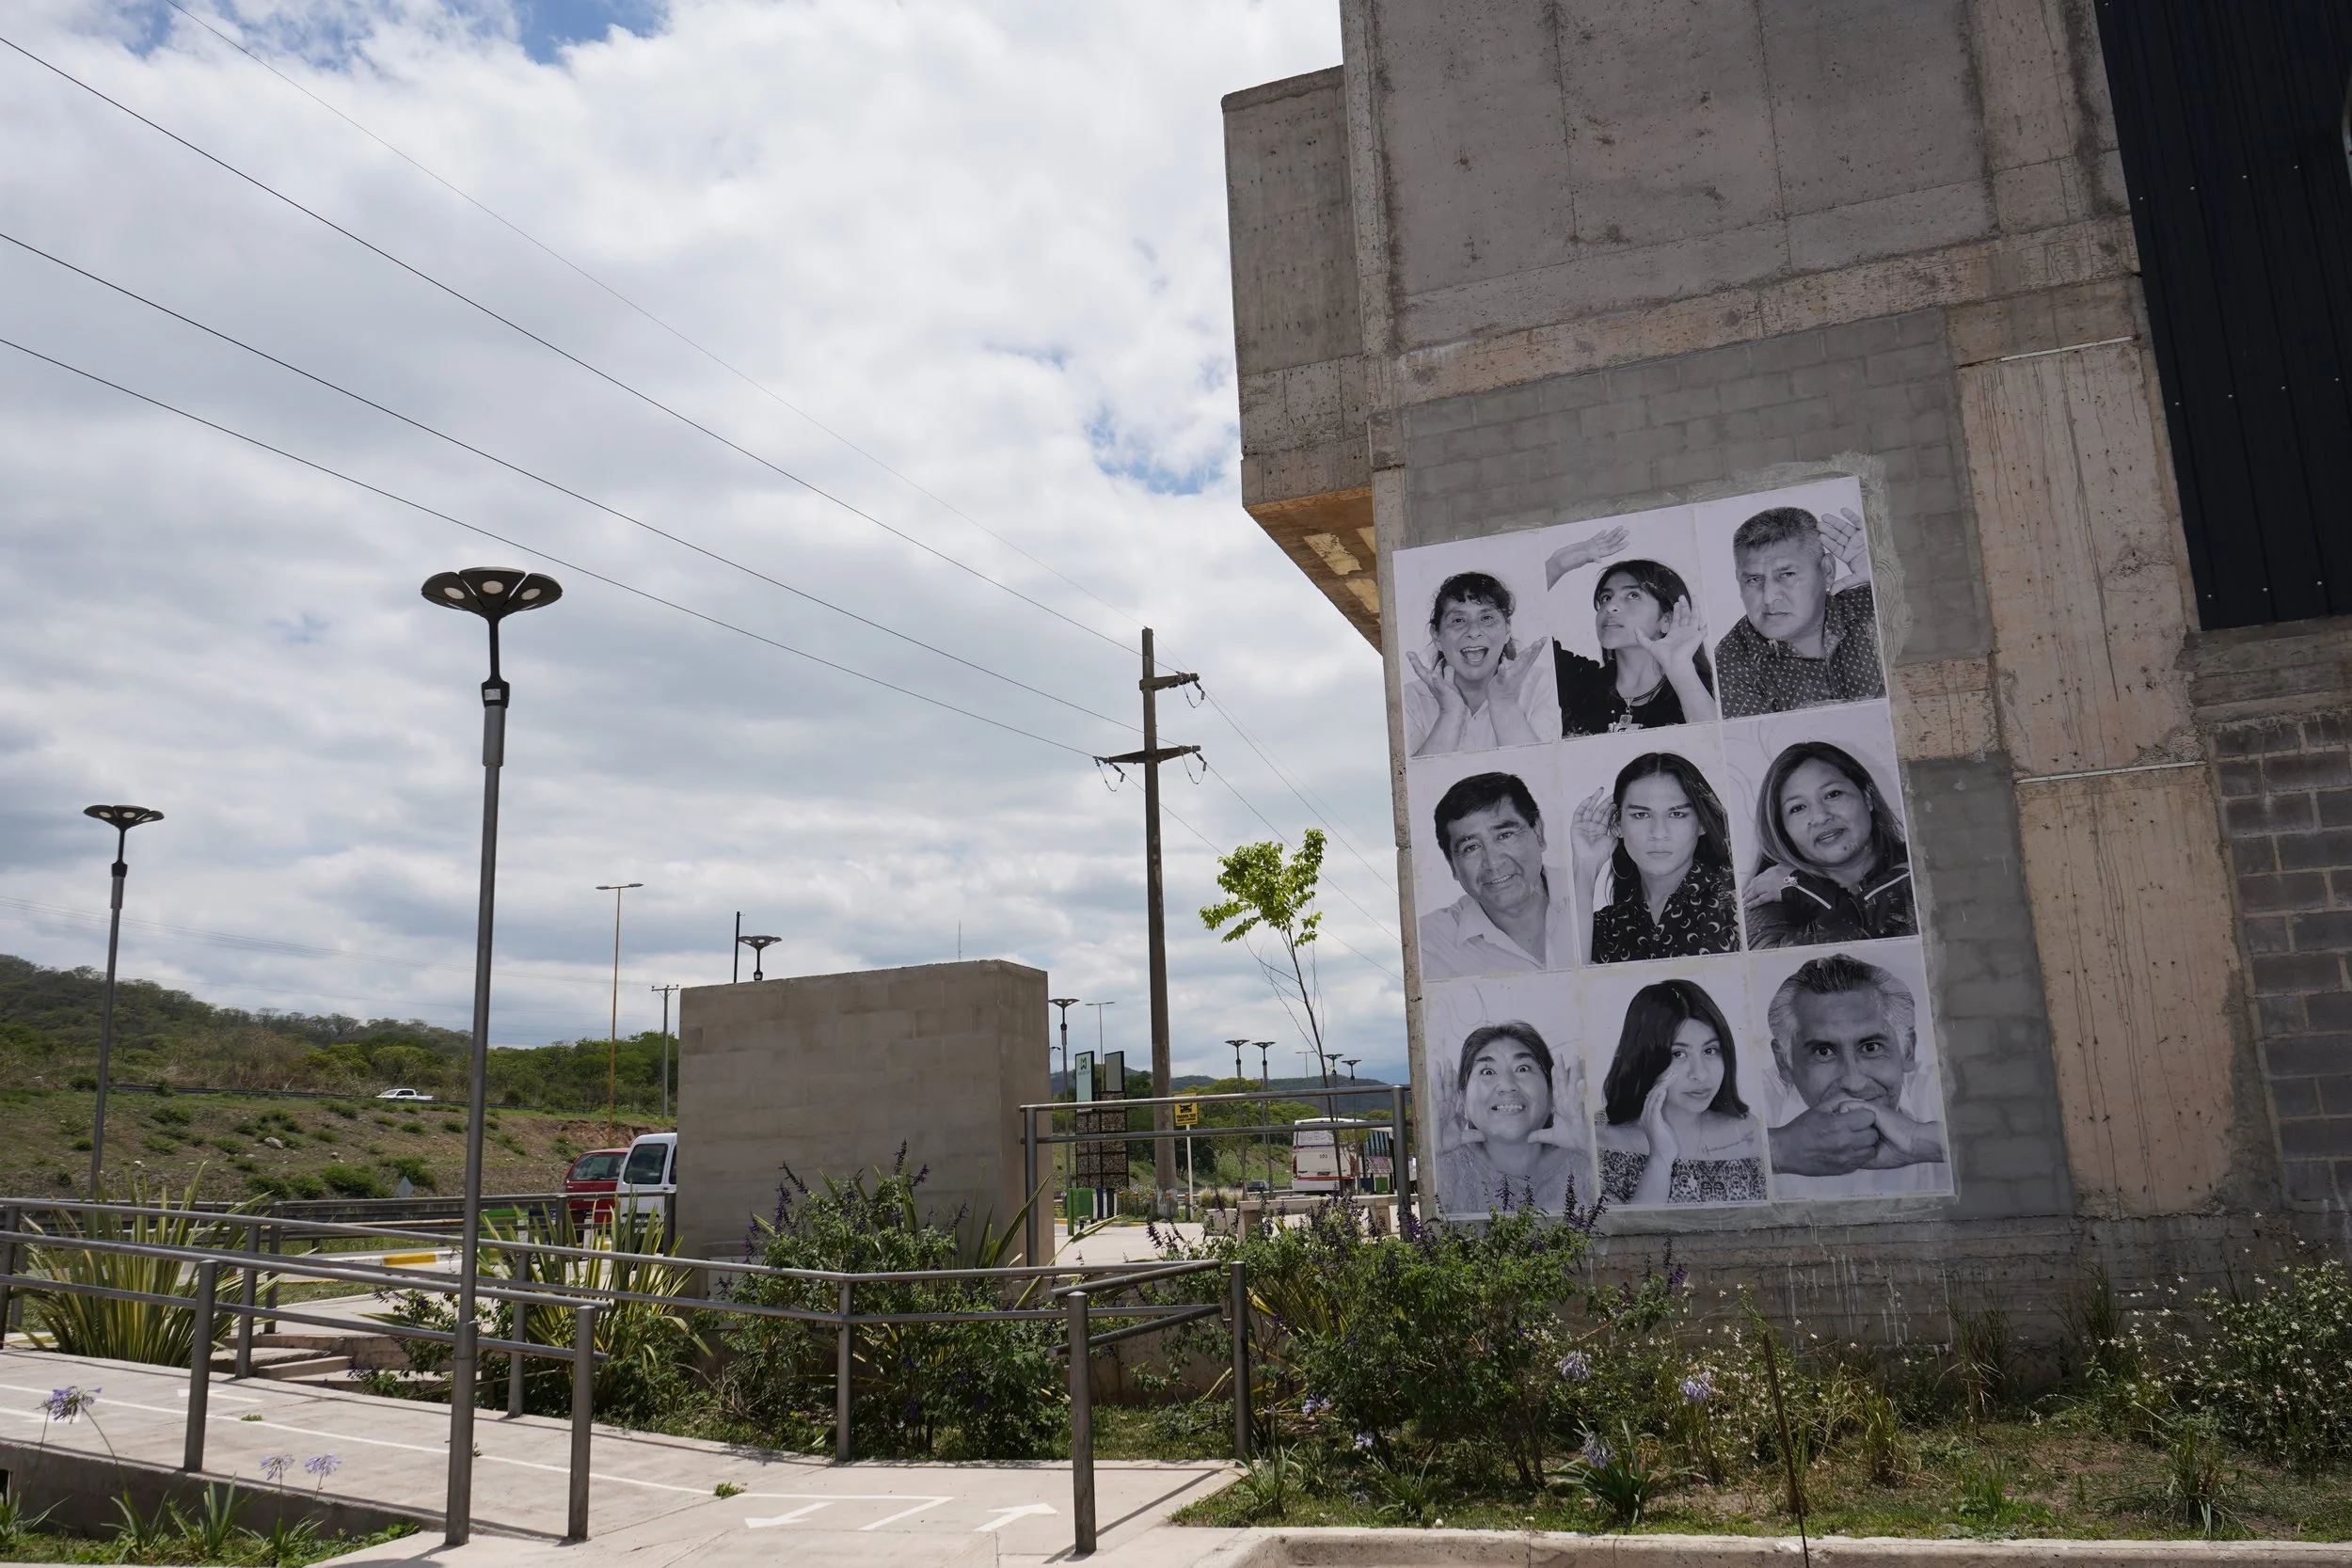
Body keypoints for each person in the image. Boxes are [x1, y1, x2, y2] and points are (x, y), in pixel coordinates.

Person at [1765, 954, 1948, 1197]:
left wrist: (1917, 1141)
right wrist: (1779, 1150)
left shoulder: (1941, 1090)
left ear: (1907, 1050)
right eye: (1824, 1052)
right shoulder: (1755, 1099)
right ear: (1784, 1063)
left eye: (1871, 1048)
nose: (1854, 1083)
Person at [1595, 979, 1766, 1206]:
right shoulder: (1599, 1136)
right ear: (1644, 1059)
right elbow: (1625, 1238)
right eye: (1678, 1054)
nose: (1700, 1074)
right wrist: (1659, 1159)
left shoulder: (1746, 1129)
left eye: (1710, 1050)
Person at [1568, 753, 1741, 963]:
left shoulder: (1737, 904)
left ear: (1702, 823)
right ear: (1617, 825)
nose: (1659, 833)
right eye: (1641, 815)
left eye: (1676, 814)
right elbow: (1569, 987)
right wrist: (1585, 867)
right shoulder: (1605, 926)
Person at [1542, 527, 1717, 734]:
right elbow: (1516, 627)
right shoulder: (1580, 683)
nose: (1610, 606)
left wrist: (1680, 668)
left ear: (1667, 620)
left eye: (1632, 595)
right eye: (1606, 597)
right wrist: (1555, 566)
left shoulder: (1702, 687)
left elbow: (1715, 744)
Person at [1714, 505, 1884, 718]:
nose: (1768, 598)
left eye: (1787, 575)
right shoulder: (1730, 663)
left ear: (1827, 571)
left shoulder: (1875, 603)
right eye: (1754, 579)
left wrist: (1887, 578)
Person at [1745, 741, 1915, 947]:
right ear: (1783, 830)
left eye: (1833, 794)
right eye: (1798, 808)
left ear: (1867, 797)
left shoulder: (1925, 862)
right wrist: (1802, 889)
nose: (1820, 817)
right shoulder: (1763, 900)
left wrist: (1806, 890)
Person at [1418, 772, 1574, 978]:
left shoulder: (1594, 894)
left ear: (1538, 832)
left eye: (1505, 836)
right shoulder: (1428, 944)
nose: (1493, 863)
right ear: (1452, 865)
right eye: (1471, 847)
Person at [1436, 1022, 1590, 1216]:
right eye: (1488, 1071)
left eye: (1523, 1069)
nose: (1507, 1085)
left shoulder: (1585, 1160)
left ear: (1552, 1092)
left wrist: (1588, 1148)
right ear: (1462, 1095)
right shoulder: (1447, 1166)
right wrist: (1434, 1158)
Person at [1404, 572, 1552, 755]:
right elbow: (1416, 782)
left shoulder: (1544, 685)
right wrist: (1449, 713)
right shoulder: (1410, 698)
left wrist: (1504, 703)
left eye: (1486, 618)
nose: (1473, 631)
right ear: (1436, 636)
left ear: (1507, 629)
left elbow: (1544, 775)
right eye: (1458, 620)